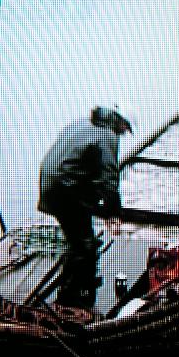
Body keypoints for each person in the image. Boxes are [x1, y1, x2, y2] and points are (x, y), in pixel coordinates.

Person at [38, 106, 132, 309]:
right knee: (85, 247)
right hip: (65, 189)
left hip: (50, 182)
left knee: (78, 240)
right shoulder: (107, 136)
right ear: (119, 122)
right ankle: (75, 300)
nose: (124, 133)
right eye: (125, 128)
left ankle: (70, 287)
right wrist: (114, 214)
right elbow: (108, 177)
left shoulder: (83, 123)